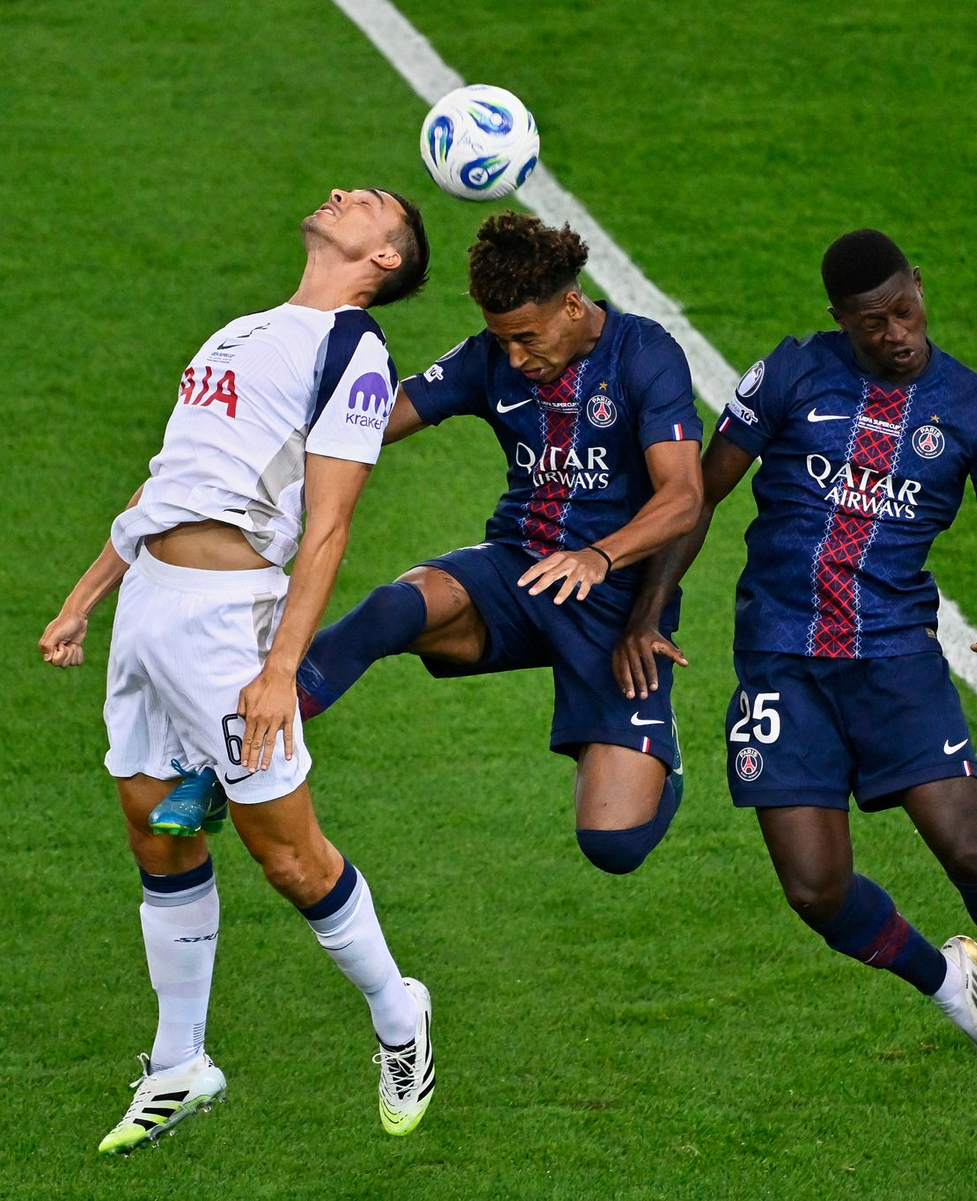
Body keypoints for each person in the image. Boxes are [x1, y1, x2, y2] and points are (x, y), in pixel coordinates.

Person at [614, 229, 977, 1127]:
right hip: (780, 660)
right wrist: (650, 604)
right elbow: (698, 496)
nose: (897, 333)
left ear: (920, 288)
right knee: (813, 889)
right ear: (840, 320)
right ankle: (947, 978)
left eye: (906, 310)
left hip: (893, 659)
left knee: (965, 846)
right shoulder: (794, 376)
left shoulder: (974, 408)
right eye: (872, 322)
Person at [38, 187, 436, 1154]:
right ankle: (181, 1063)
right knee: (151, 827)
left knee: (287, 853)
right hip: (148, 608)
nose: (342, 193)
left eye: (369, 202)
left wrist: (279, 669)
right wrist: (86, 595)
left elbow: (331, 522)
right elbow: (161, 483)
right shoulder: (239, 330)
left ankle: (399, 1013)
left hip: (232, 624)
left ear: (385, 258)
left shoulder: (355, 352)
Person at [163, 213, 704, 872]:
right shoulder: (489, 356)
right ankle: (222, 762)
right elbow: (377, 420)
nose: (514, 357)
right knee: (392, 609)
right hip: (517, 574)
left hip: (614, 604)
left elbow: (682, 497)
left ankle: (660, 757)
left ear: (571, 304)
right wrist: (271, 411)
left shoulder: (644, 353)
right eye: (501, 340)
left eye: (526, 338)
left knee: (613, 844)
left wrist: (597, 555)